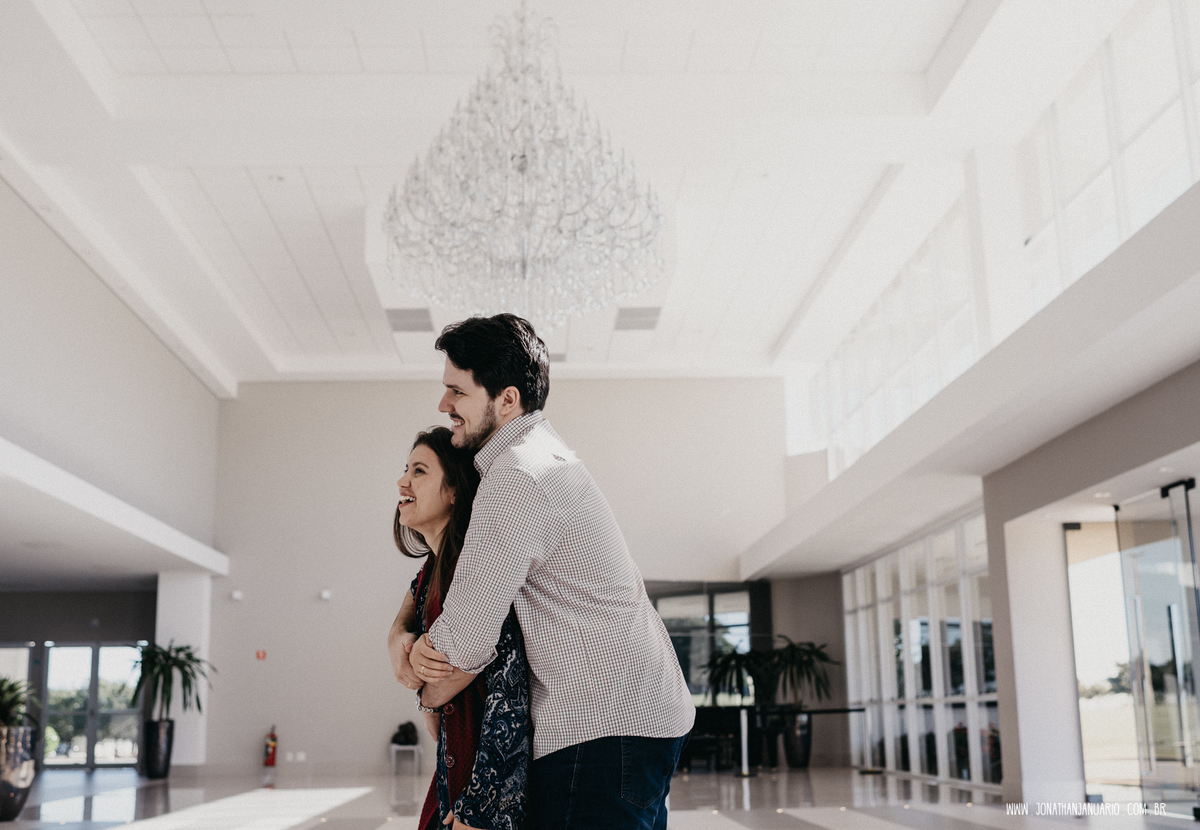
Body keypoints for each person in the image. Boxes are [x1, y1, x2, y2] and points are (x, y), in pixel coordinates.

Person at [389, 314, 695, 830]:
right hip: (629, 719)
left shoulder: (517, 476)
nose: (445, 406)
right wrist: (401, 636)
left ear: (506, 400)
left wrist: (413, 674)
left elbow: (462, 645)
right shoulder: (541, 459)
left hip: (601, 727)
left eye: (457, 392)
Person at [392, 426, 529, 830]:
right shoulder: (433, 570)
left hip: (480, 795)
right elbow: (405, 624)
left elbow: (509, 688)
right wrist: (401, 639)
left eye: (419, 471)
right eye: (406, 469)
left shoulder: (472, 569)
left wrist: (482, 806)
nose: (402, 481)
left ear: (454, 490)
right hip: (454, 780)